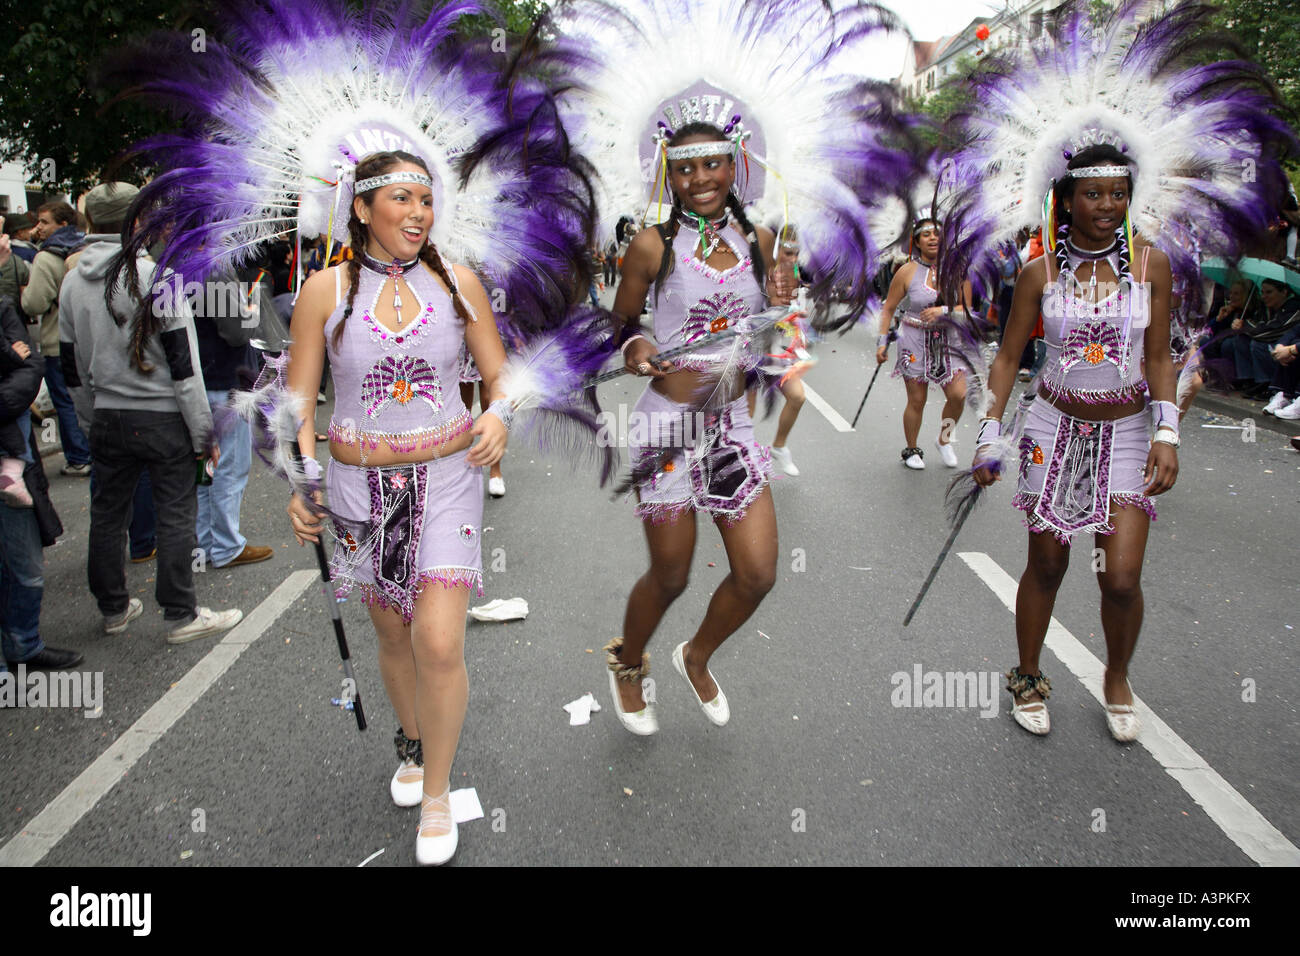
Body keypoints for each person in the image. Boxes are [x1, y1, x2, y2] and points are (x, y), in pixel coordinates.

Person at [287, 150, 510, 865]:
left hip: (445, 482)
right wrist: (300, 476)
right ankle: (412, 740)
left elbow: (503, 378)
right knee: (393, 633)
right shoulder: (323, 292)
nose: (419, 213)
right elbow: (297, 400)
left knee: (438, 640)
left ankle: (438, 791)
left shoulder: (459, 284)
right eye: (402, 199)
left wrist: (500, 415)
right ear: (361, 209)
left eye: (426, 199)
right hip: (358, 493)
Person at [973, 147, 1177, 741]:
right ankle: (1029, 678)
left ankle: (1117, 675)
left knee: (1120, 578)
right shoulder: (1042, 274)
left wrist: (1167, 429)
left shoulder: (1150, 268)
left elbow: (1160, 357)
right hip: (1051, 429)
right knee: (1048, 563)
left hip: (1130, 431)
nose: (1108, 205)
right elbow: (1010, 357)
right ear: (1065, 200)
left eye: (1118, 192)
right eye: (1094, 193)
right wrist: (990, 433)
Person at [609, 123, 790, 734]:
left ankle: (697, 654)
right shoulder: (651, 245)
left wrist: (783, 313)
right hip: (667, 429)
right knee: (672, 574)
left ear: (735, 165)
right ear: (669, 174)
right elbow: (624, 320)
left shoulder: (760, 240)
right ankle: (629, 664)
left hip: (732, 425)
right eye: (685, 169)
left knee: (758, 573)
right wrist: (636, 347)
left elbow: (767, 330)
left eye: (713, 164)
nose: (700, 179)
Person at [60, 182, 243, 644]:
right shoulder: (157, 277)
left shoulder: (71, 281)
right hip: (161, 418)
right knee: (175, 514)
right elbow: (185, 366)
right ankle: (180, 613)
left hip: (107, 415)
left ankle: (113, 608)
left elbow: (72, 368)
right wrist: (205, 432)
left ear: (87, 222)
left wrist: (88, 421)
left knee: (106, 515)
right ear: (138, 221)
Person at [0, 292, 82, 673]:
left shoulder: (2, 305)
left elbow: (30, 367)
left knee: (26, 564)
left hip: (14, 457)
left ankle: (24, 644)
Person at [876, 218, 976, 470]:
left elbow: (968, 309)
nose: (933, 238)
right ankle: (911, 450)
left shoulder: (959, 269)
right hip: (913, 339)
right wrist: (882, 342)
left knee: (958, 395)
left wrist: (943, 310)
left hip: (947, 340)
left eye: (937, 234)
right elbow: (888, 309)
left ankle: (944, 440)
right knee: (916, 400)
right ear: (917, 242)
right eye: (926, 234)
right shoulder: (906, 271)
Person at [21, 201, 92, 477]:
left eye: (44, 222)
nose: (38, 227)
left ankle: (79, 456)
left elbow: (33, 304)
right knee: (86, 396)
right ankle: (93, 452)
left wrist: (24, 292)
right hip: (87, 338)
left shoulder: (46, 257)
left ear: (62, 225)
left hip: (57, 341)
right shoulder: (86, 250)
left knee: (65, 400)